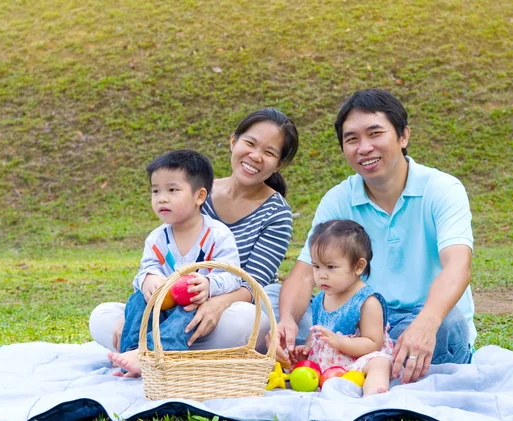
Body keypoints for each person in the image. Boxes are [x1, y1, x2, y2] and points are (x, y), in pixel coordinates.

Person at [273, 88, 475, 385]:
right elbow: (304, 274)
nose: (364, 148)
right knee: (277, 300)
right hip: (356, 324)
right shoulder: (339, 199)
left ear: (403, 136)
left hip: (419, 318)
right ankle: (366, 364)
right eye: (352, 139)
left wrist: (426, 324)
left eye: (375, 133)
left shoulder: (442, 189)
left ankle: (361, 365)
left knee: (448, 323)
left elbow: (458, 266)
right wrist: (287, 320)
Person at [89, 108, 299, 356]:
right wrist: (136, 315)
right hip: (174, 305)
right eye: (250, 143)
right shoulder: (196, 192)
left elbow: (253, 285)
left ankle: (153, 349)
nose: (255, 156)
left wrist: (215, 305)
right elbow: (159, 264)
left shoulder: (276, 213)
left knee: (249, 323)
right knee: (102, 317)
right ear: (234, 141)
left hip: (231, 306)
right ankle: (156, 346)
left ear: (280, 164)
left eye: (269, 152)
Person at [108, 149, 242, 377]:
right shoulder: (157, 238)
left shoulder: (218, 235)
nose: (161, 198)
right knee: (136, 301)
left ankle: (151, 354)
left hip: (193, 311)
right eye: (155, 191)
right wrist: (148, 279)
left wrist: (209, 284)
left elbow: (234, 276)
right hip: (160, 310)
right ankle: (131, 353)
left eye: (172, 190)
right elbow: (144, 270)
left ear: (199, 196)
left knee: (191, 308)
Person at [293, 220, 394, 396]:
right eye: (316, 266)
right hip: (326, 363)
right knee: (293, 361)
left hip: (357, 362)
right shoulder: (320, 299)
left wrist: (340, 342)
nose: (321, 274)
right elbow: (317, 331)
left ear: (358, 266)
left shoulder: (367, 302)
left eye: (331, 267)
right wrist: (308, 347)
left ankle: (374, 396)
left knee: (380, 363)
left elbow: (373, 343)